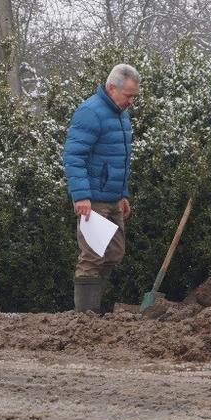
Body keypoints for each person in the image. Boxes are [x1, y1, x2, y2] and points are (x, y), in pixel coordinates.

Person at [63, 64, 141, 312]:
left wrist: (123, 194)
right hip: (93, 200)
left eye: (134, 96)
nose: (131, 101)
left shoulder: (121, 114)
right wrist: (82, 195)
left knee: (114, 253)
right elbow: (74, 156)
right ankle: (85, 318)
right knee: (92, 256)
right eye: (128, 95)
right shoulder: (90, 112)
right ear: (111, 88)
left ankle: (94, 311)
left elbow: (120, 158)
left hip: (113, 198)